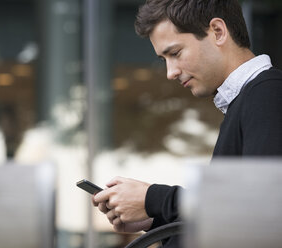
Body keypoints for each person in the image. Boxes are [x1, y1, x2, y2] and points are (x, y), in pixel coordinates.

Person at [92, 0, 282, 247]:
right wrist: (156, 220)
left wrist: (153, 200)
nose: (170, 72)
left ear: (218, 31)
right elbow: (232, 226)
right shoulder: (251, 98)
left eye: (175, 53)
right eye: (164, 59)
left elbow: (264, 210)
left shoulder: (266, 93)